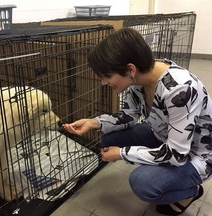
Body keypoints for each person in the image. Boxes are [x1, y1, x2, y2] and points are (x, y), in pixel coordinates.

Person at [63, 28, 212, 216]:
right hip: (164, 136)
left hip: (196, 154)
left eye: (106, 76)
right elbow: (128, 116)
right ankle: (160, 169)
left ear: (130, 69)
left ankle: (190, 191)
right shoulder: (138, 82)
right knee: (110, 137)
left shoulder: (179, 90)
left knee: (143, 183)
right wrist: (93, 122)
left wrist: (123, 154)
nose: (102, 82)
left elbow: (176, 154)